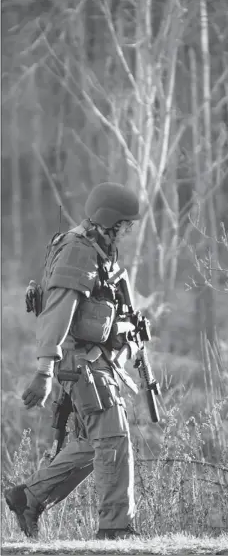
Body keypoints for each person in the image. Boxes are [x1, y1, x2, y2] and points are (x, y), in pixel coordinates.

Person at [5, 183, 142, 540]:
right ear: (109, 222)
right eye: (125, 225)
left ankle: (28, 497)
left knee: (92, 442)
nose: (128, 231)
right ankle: (115, 529)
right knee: (114, 437)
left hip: (92, 360)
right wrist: (44, 370)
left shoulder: (97, 249)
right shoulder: (79, 251)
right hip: (79, 362)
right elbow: (58, 312)